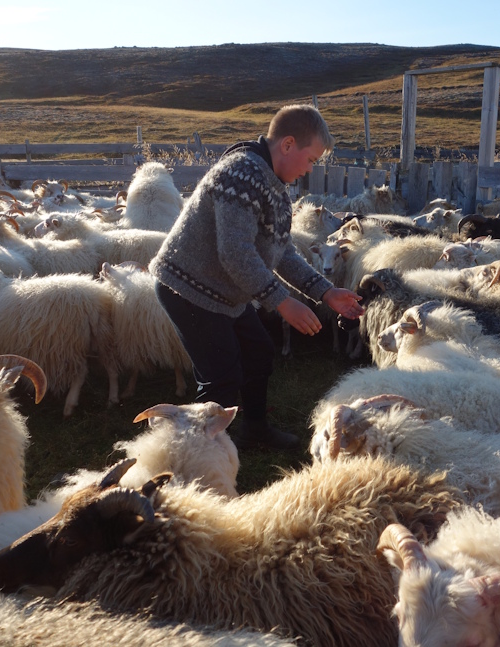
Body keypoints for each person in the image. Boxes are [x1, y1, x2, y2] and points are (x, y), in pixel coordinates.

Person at [151, 104, 364, 450]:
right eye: (311, 159)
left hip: (225, 290)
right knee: (221, 376)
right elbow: (235, 252)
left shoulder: (274, 187)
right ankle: (199, 457)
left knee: (259, 351)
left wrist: (326, 293)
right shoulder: (242, 174)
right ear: (288, 144)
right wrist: (282, 302)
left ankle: (253, 429)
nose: (310, 169)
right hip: (189, 288)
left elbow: (282, 251)